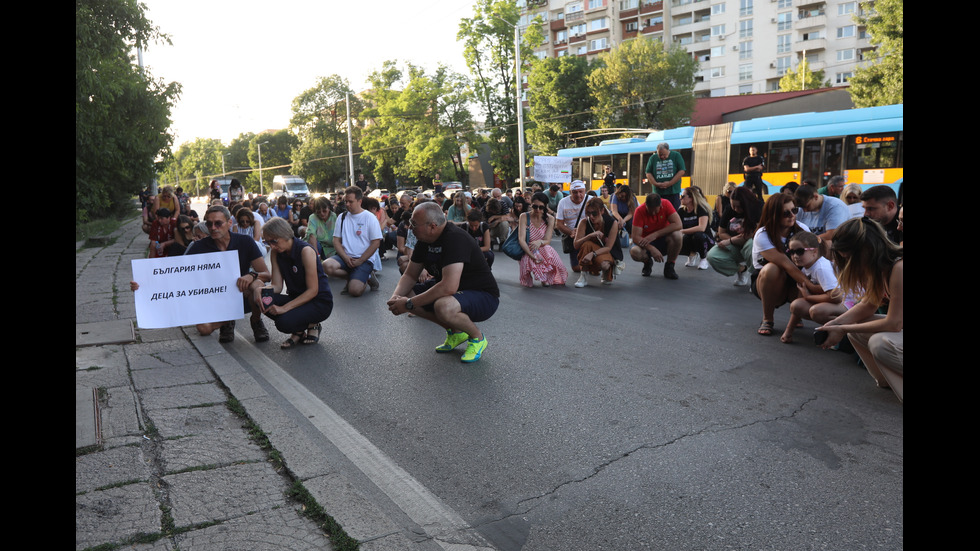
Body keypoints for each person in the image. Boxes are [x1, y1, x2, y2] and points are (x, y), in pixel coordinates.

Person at [131, 205, 271, 343]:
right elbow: (175, 273)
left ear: (229, 223)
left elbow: (266, 274)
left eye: (218, 223)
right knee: (204, 329)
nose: (213, 227)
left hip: (243, 292)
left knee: (257, 285)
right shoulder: (199, 247)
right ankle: (227, 320)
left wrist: (251, 276)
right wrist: (144, 285)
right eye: (209, 224)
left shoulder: (245, 242)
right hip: (216, 297)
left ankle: (256, 320)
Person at [386, 202, 500, 363]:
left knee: (443, 305)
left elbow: (448, 286)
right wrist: (396, 299)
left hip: (483, 295)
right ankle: (455, 332)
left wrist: (409, 304)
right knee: (406, 294)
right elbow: (410, 275)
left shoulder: (455, 238)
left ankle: (477, 338)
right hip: (454, 292)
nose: (409, 227)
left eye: (413, 224)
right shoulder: (424, 239)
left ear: (432, 226)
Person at [817, 218, 903, 402]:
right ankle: (887, 381)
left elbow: (894, 324)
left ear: (866, 249)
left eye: (849, 257)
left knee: (881, 343)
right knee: (857, 330)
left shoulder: (899, 267)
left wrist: (842, 329)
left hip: (899, 326)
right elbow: (869, 304)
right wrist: (835, 324)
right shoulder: (882, 267)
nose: (848, 263)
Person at [255, 218, 333, 348]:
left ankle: (311, 325)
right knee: (261, 299)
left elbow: (313, 291)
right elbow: (277, 286)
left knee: (283, 323)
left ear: (285, 235)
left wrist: (284, 308)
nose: (272, 246)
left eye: (274, 241)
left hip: (318, 302)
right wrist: (262, 289)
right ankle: (300, 329)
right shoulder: (276, 252)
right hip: (296, 298)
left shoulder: (305, 251)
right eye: (267, 242)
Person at [751, 194, 811, 336]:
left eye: (794, 210)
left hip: (794, 283)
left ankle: (796, 315)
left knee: (807, 271)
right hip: (767, 283)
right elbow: (786, 264)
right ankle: (767, 319)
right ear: (773, 215)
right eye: (785, 213)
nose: (792, 215)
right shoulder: (762, 234)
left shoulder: (803, 229)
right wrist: (812, 286)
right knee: (773, 268)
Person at [779, 231, 844, 343]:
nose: (795, 256)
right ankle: (838, 328)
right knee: (796, 305)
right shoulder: (806, 268)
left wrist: (808, 297)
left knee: (816, 311)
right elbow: (800, 300)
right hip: (836, 303)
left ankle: (846, 329)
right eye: (792, 252)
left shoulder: (821, 268)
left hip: (848, 303)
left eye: (800, 251)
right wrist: (788, 331)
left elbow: (836, 297)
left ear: (814, 251)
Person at [323, 186, 382, 297]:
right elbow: (336, 241)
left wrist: (360, 261)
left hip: (364, 259)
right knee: (326, 266)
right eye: (346, 201)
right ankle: (360, 276)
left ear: (360, 201)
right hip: (345, 258)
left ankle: (365, 277)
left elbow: (376, 243)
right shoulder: (342, 217)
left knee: (354, 291)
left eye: (351, 201)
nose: (347, 204)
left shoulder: (370, 218)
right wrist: (345, 257)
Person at [706, 186, 763, 286]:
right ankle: (742, 270)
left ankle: (757, 278)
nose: (736, 209)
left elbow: (753, 234)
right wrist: (734, 240)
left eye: (739, 207)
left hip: (753, 244)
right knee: (712, 256)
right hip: (736, 245)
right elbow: (721, 232)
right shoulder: (729, 209)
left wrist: (730, 241)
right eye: (733, 206)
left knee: (751, 245)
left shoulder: (758, 207)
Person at [518, 192, 567, 287]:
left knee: (546, 248)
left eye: (541, 207)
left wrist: (539, 242)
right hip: (527, 249)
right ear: (531, 205)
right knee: (527, 284)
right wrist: (532, 256)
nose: (537, 210)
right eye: (535, 206)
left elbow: (547, 240)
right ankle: (534, 274)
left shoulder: (550, 219)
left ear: (545, 207)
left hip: (542, 247)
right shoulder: (524, 216)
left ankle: (545, 276)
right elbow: (521, 240)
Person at [630, 192, 683, 279]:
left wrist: (656, 234)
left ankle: (670, 266)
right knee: (635, 252)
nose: (653, 213)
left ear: (660, 206)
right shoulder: (639, 211)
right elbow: (635, 237)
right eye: (650, 210)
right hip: (646, 242)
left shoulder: (666, 204)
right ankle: (647, 262)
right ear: (646, 205)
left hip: (663, 239)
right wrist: (651, 248)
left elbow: (678, 224)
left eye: (656, 210)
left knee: (678, 235)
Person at [573, 197, 620, 286]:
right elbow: (576, 245)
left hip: (606, 252)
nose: (591, 216)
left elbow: (608, 247)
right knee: (586, 244)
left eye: (594, 213)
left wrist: (592, 254)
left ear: (602, 211)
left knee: (604, 265)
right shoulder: (584, 222)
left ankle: (607, 271)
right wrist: (589, 236)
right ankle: (583, 276)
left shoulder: (612, 223)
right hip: (589, 250)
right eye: (588, 213)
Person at [555, 180, 590, 286]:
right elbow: (559, 224)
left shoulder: (591, 200)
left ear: (585, 191)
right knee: (575, 268)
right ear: (570, 192)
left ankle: (593, 265)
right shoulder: (563, 202)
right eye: (575, 192)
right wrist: (570, 232)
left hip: (589, 234)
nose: (578, 195)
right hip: (573, 236)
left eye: (581, 192)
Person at [678, 186, 714, 270]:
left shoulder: (701, 209)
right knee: (675, 239)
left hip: (706, 239)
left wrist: (682, 231)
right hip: (689, 237)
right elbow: (675, 225)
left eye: (682, 196)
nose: (680, 199)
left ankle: (703, 258)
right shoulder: (681, 211)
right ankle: (691, 254)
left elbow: (701, 228)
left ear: (691, 198)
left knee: (698, 235)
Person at [645, 143, 685, 210]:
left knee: (674, 211)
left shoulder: (676, 155)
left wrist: (670, 183)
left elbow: (682, 171)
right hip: (658, 193)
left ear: (668, 151)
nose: (662, 157)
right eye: (660, 155)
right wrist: (656, 184)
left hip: (673, 192)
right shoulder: (653, 158)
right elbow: (648, 173)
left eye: (664, 155)